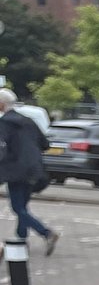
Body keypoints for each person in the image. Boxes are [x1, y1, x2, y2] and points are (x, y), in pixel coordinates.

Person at [0, 90, 59, 255]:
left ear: (2, 104)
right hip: (34, 169)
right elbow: (45, 144)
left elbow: (2, 147)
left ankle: (46, 233)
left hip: (15, 170)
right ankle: (21, 239)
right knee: (22, 207)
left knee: (17, 208)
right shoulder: (29, 122)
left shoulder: (4, 123)